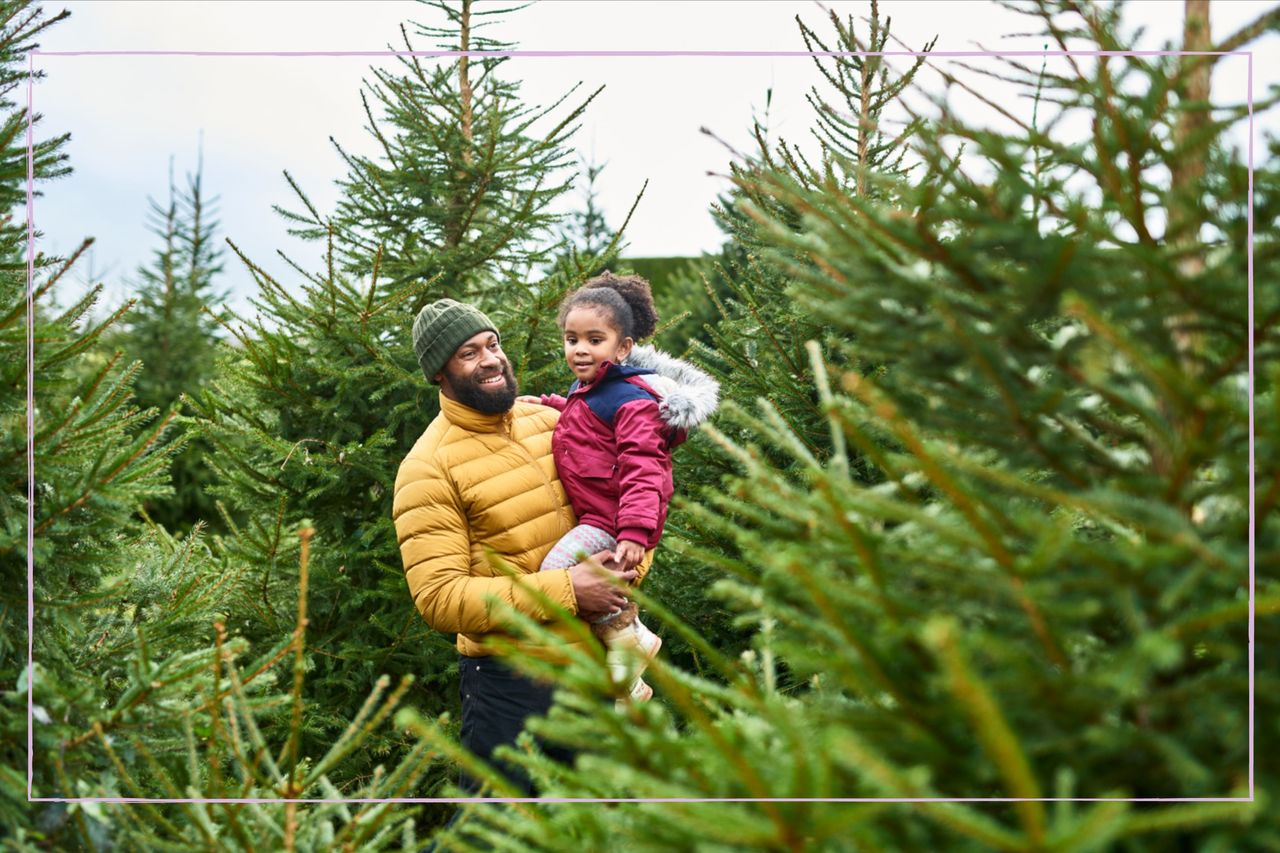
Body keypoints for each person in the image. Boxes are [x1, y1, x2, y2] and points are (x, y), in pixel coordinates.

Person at [391, 297, 639, 797]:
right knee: (495, 831)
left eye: (492, 344)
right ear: (440, 373)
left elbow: (625, 502)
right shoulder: (427, 468)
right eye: (468, 353)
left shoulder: (553, 422)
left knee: (606, 825)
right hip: (509, 684)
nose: (490, 359)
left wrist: (627, 567)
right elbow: (439, 597)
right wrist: (568, 590)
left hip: (593, 667)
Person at [518, 272, 719, 705]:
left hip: (612, 519)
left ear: (623, 347)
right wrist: (549, 403)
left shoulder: (631, 401)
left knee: (556, 575)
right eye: (572, 339)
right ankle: (629, 656)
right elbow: (582, 417)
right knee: (572, 583)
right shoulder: (591, 390)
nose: (580, 350)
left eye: (595, 339)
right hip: (601, 515)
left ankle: (626, 637)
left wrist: (632, 533)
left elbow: (644, 468)